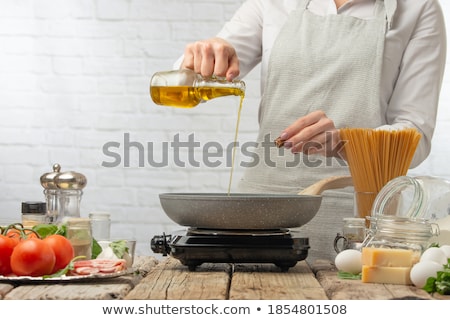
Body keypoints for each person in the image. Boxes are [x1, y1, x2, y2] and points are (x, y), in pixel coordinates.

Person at [176, 0, 447, 262]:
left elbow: (416, 137)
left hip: (358, 220)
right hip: (261, 214)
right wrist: (205, 56)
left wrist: (345, 142)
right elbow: (191, 80)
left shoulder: (418, 8)